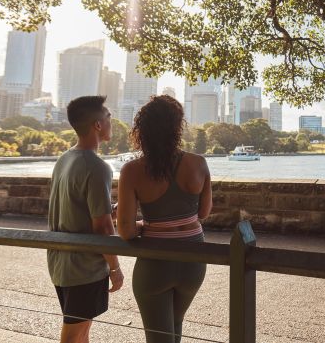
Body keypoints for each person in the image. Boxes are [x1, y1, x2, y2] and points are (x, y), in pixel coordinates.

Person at [117, 95, 212, 343]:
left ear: (143, 129)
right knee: (174, 326)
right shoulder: (199, 163)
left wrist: (143, 225)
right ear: (177, 127)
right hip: (194, 262)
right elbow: (202, 214)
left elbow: (125, 231)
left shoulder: (132, 170)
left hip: (155, 266)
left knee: (159, 337)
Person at [47, 95, 124, 343]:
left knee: (82, 333)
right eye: (109, 116)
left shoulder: (64, 160)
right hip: (84, 268)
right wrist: (115, 267)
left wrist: (110, 209)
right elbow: (102, 228)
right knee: (74, 335)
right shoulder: (97, 166)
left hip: (60, 263)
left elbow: (77, 208)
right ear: (98, 125)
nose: (112, 121)